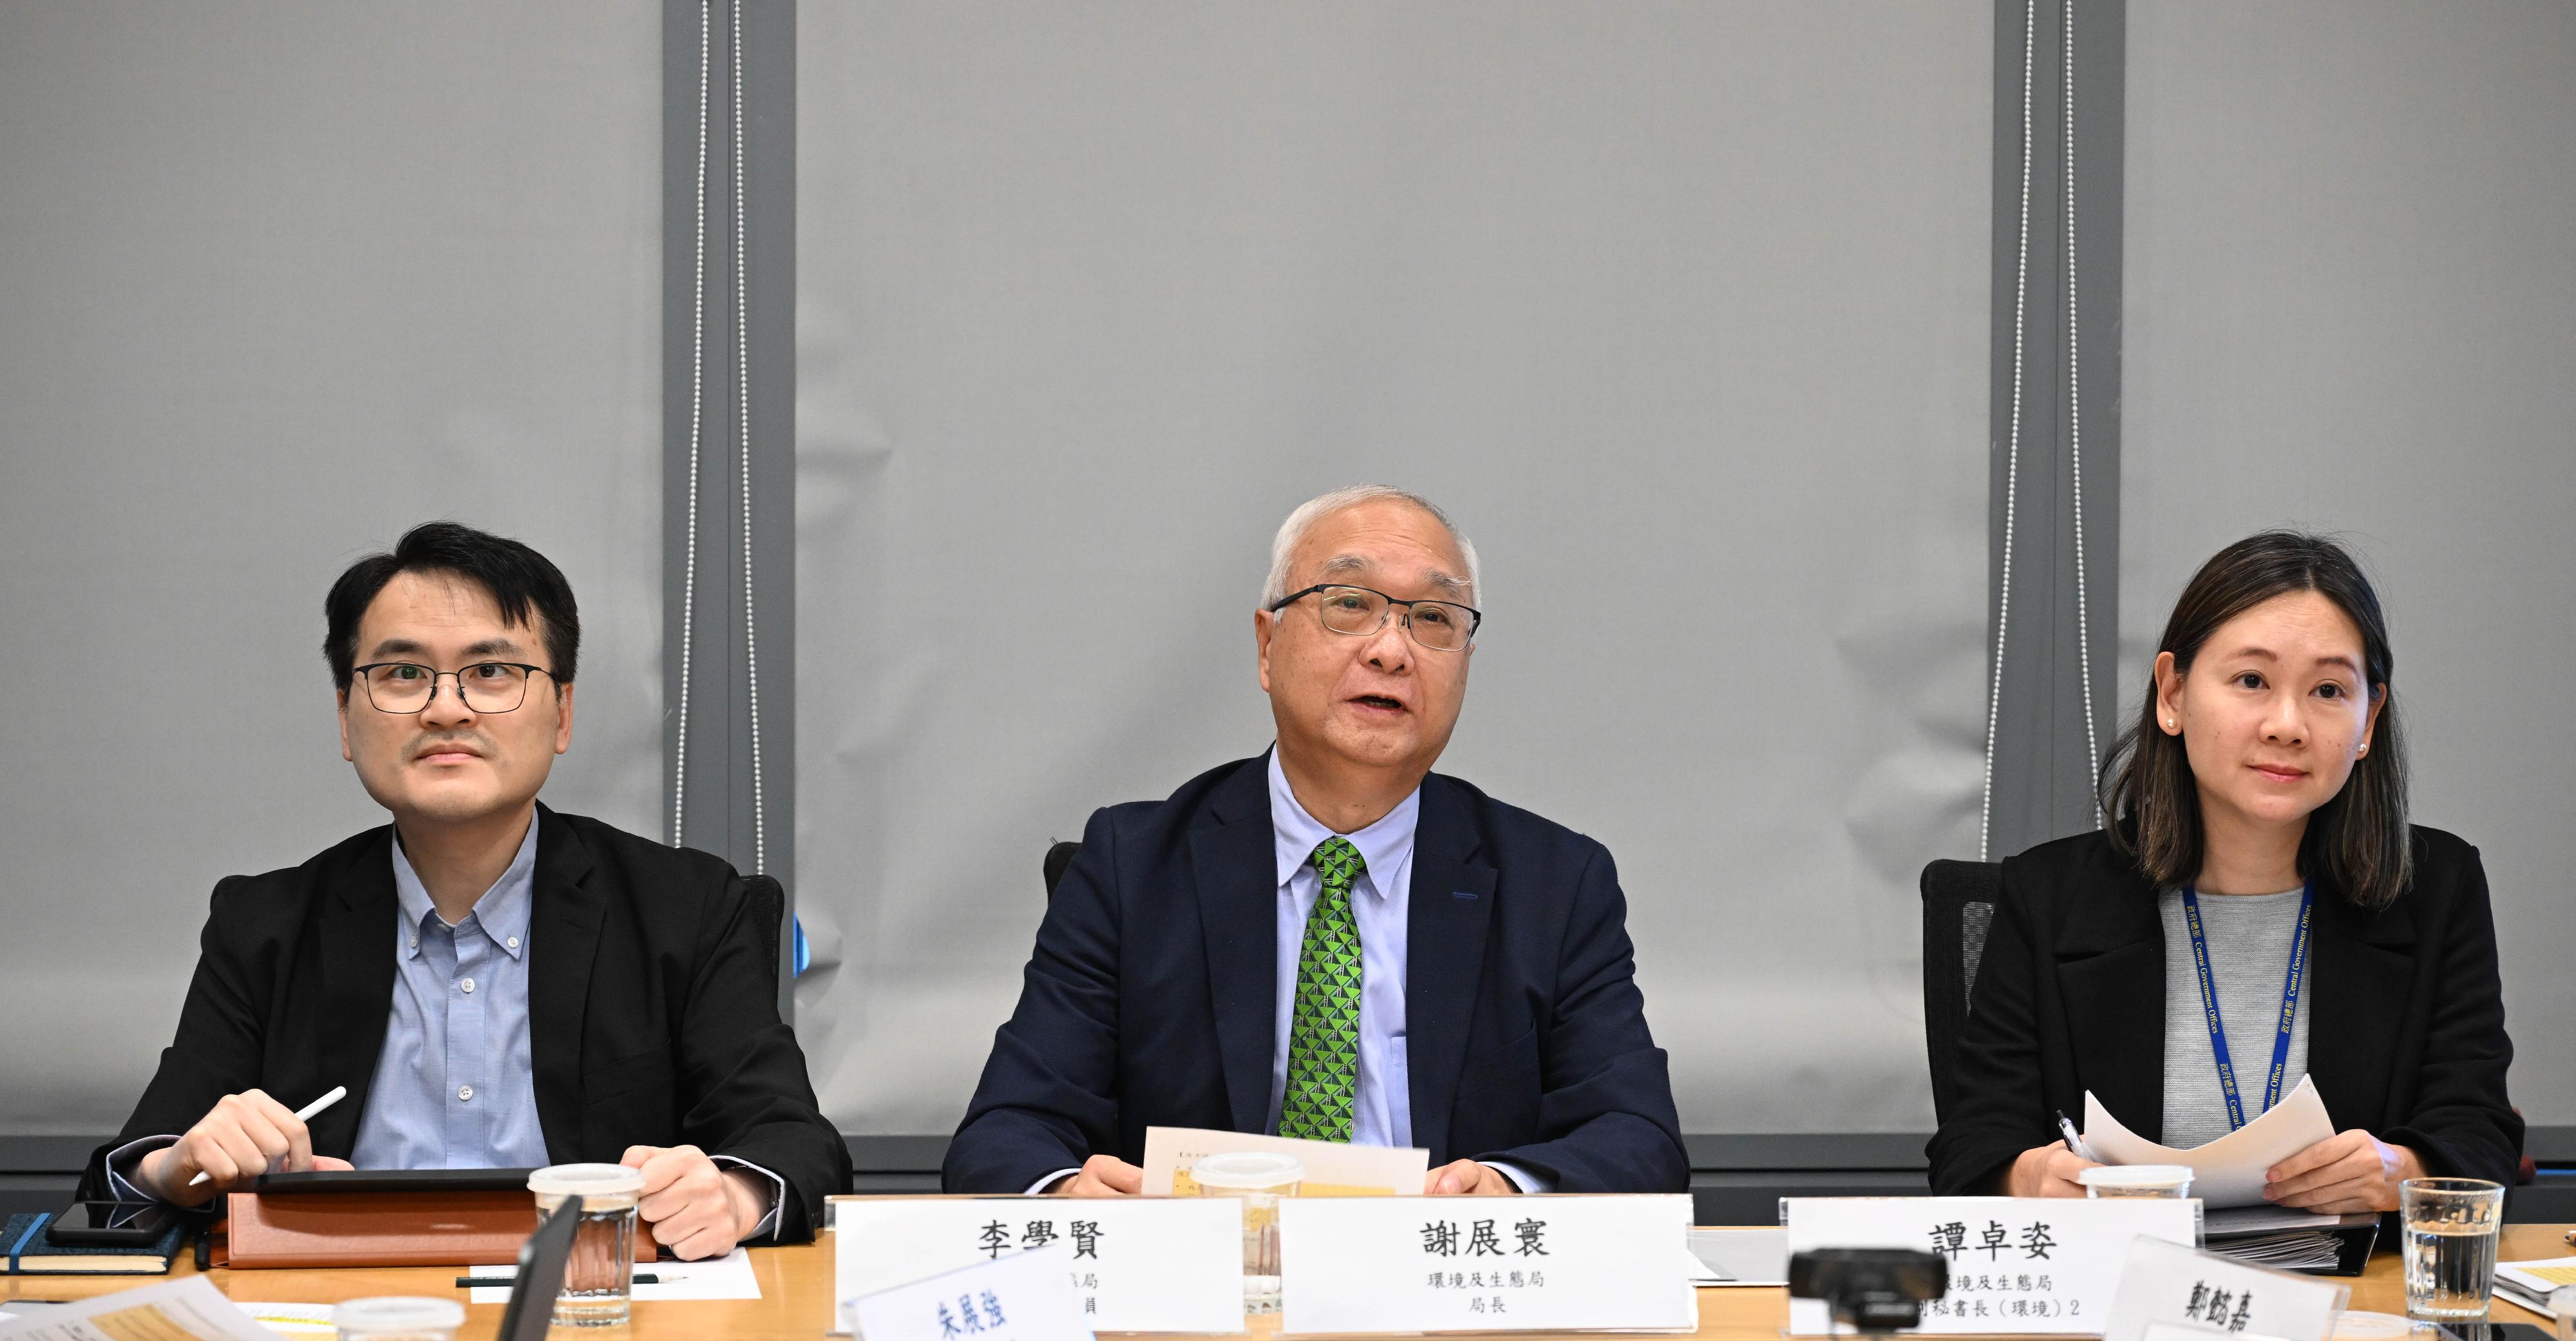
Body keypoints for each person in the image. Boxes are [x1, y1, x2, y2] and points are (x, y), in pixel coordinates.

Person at [82, 522, 850, 1255]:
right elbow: (131, 1171)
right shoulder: (266, 925)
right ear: (347, 721)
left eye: (491, 672)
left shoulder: (685, 909)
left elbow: (794, 1146)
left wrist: (733, 1195)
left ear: (562, 713)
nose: (445, 708)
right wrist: (178, 1168)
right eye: (403, 673)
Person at [943, 486, 1686, 1197]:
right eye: (1350, 605)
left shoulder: (1553, 884)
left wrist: (1502, 1188)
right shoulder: (1132, 867)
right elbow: (1008, 1129)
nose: (1392, 651)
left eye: (1433, 618)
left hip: (1434, 1293)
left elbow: (1638, 1136)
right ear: (1267, 646)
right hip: (1209, 1298)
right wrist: (1069, 1190)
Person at [1928, 532, 2519, 1208]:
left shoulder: (2435, 889)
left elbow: (2479, 1133)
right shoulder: (2047, 897)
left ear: (2367, 722)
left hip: (2349, 1302)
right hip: (2118, 1296)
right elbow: (1971, 1146)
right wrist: (2027, 1177)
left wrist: (2404, 1171)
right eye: (2251, 681)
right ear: (2172, 694)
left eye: (2328, 690)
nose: (2287, 725)